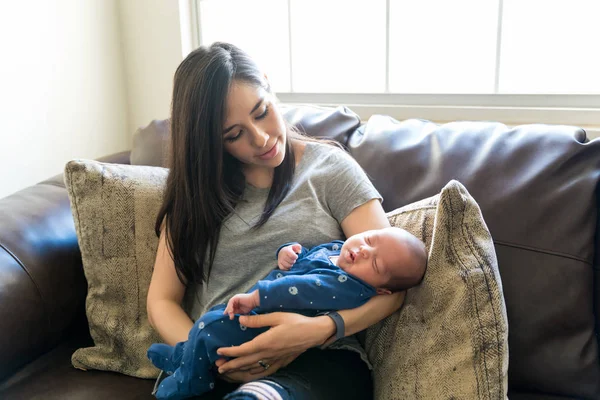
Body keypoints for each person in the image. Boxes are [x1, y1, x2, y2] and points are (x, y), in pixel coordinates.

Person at [146, 41, 417, 400]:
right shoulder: (195, 194)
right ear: (210, 141)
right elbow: (162, 300)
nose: (261, 138)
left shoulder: (330, 170)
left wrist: (321, 328)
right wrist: (212, 352)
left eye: (261, 112)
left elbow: (391, 288)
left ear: (269, 86)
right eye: (234, 134)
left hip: (318, 360)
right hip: (216, 361)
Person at [148, 228, 427, 399]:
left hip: (275, 324)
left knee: (209, 326)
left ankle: (192, 379)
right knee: (207, 327)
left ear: (381, 289)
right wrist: (288, 251)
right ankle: (186, 357)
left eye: (375, 263)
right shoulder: (337, 251)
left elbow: (299, 288)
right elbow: (306, 257)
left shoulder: (349, 285)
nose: (364, 250)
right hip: (252, 318)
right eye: (369, 239)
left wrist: (258, 297)